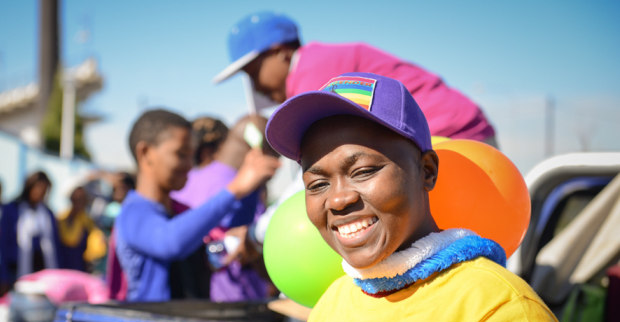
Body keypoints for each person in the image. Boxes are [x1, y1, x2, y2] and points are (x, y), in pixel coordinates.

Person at [264, 72, 599, 322]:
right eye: (317, 183)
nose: (338, 199)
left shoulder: (502, 309)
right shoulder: (330, 308)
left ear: (427, 171)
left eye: (363, 171)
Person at [214, 11, 496, 145]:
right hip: (453, 135)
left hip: (452, 137)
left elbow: (325, 158)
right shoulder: (322, 60)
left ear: (281, 53)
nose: (255, 85)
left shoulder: (311, 71)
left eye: (253, 73)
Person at [114, 108, 279, 302]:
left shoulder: (180, 211)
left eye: (190, 155)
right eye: (180, 154)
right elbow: (170, 242)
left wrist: (231, 245)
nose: (188, 165)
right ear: (145, 153)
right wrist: (236, 189)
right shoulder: (133, 212)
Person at [171, 115, 274, 302]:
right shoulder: (243, 186)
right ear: (256, 145)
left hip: (195, 299)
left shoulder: (186, 180)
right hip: (237, 300)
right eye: (276, 152)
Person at [0, 171, 60, 294]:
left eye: (45, 190)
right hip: (16, 271)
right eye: (38, 188)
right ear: (29, 187)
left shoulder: (48, 214)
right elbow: (3, 244)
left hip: (43, 272)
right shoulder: (12, 209)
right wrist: (3, 277)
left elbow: (55, 246)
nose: (41, 193)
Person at [57, 185, 98, 272]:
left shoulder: (88, 223)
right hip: (61, 268)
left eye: (81, 199)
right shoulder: (60, 220)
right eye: (76, 199)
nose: (78, 202)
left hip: (80, 269)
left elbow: (94, 250)